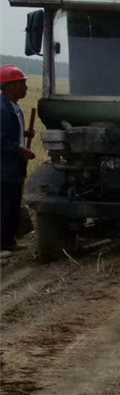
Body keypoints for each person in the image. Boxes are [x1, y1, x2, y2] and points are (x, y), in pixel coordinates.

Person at [1, 65, 35, 258]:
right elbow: (1, 141)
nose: (26, 88)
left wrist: (25, 134)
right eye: (22, 84)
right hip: (4, 168)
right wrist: (21, 149)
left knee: (13, 204)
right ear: (10, 86)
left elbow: (11, 134)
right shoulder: (2, 109)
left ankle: (9, 241)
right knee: (4, 205)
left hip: (14, 168)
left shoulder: (14, 107)